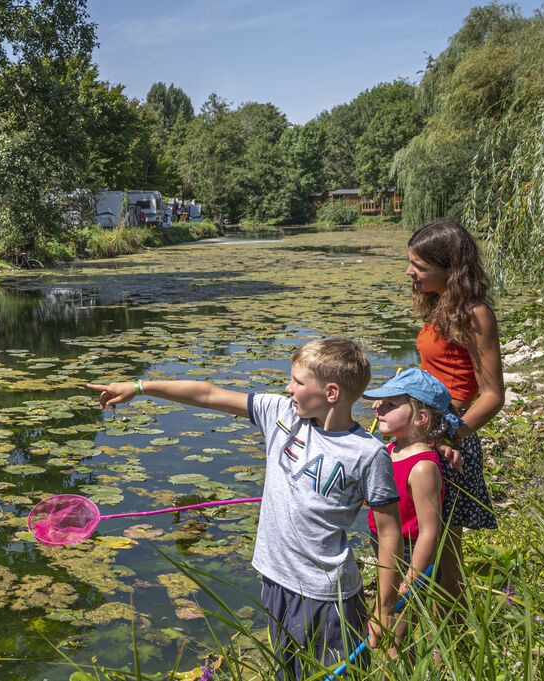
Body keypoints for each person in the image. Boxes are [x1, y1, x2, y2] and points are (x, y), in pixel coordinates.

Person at [88, 338, 403, 680]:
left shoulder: (367, 453)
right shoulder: (280, 414)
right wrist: (140, 386)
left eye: (297, 381)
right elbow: (207, 394)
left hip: (326, 596)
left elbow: (388, 530)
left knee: (335, 674)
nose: (288, 387)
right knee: (286, 671)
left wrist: (384, 609)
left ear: (331, 393)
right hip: (275, 580)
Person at [406, 219, 503, 616]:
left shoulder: (475, 313)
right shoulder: (439, 305)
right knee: (424, 535)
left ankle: (452, 635)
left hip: (449, 437)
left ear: (450, 269)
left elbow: (493, 395)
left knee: (446, 543)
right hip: (424, 430)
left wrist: (451, 435)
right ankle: (430, 622)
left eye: (419, 266)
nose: (410, 272)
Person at [363, 368, 459, 657]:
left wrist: (410, 580)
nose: (377, 408)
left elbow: (431, 530)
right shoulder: (390, 450)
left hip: (411, 555)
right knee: (386, 624)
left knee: (394, 633)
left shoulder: (423, 467)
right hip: (383, 545)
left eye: (390, 404)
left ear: (421, 417)